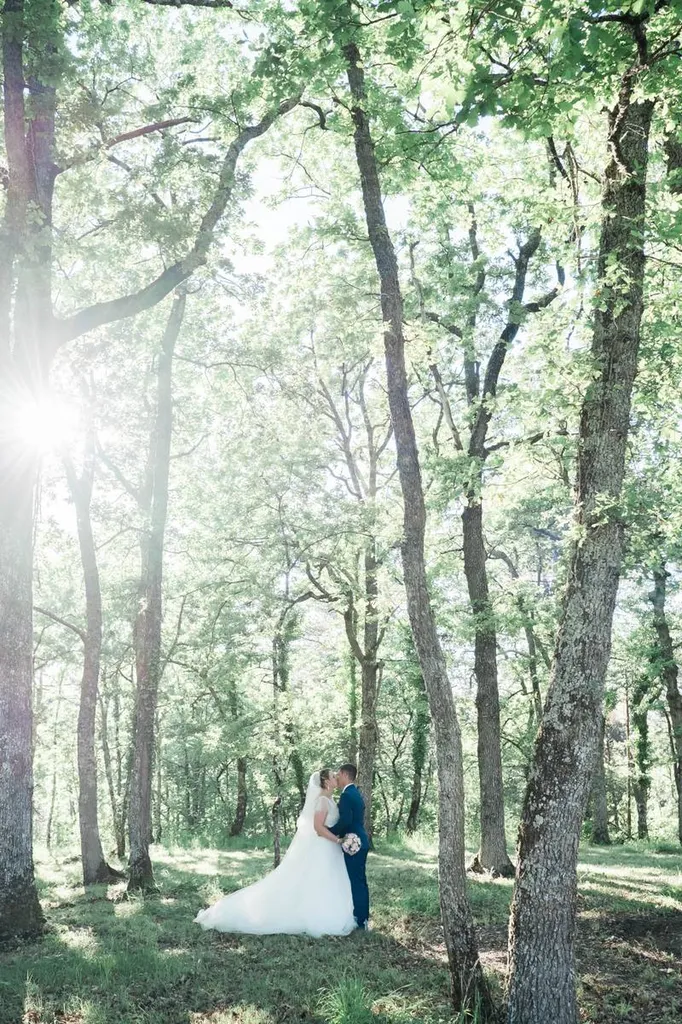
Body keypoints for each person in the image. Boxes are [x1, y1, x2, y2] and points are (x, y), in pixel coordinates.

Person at [194, 769, 356, 936]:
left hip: (330, 849)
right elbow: (318, 828)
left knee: (327, 881)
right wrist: (338, 841)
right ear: (326, 782)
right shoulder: (321, 801)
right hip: (323, 847)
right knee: (318, 880)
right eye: (333, 776)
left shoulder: (330, 800)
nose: (337, 776)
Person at [327, 763, 370, 930]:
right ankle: (363, 917)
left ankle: (360, 920)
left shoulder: (346, 796)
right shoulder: (355, 793)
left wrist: (329, 832)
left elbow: (345, 821)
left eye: (338, 774)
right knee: (360, 881)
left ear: (345, 774)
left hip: (354, 843)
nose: (337, 777)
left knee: (356, 882)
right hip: (362, 841)